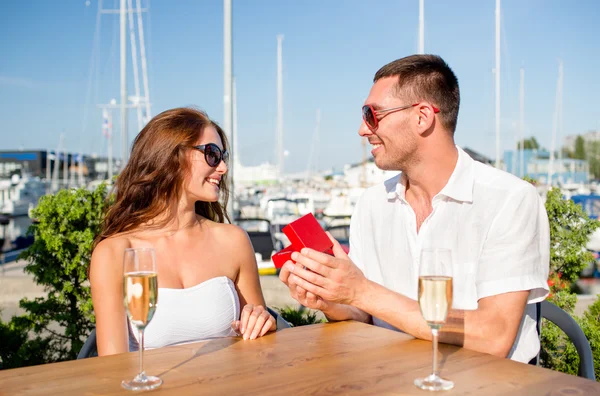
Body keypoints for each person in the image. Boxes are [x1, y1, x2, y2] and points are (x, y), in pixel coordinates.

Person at [280, 54, 549, 363]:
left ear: (422, 116)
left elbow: (493, 335)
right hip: (393, 378)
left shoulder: (510, 200)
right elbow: (365, 315)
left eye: (371, 114)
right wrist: (331, 298)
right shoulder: (372, 204)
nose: (362, 130)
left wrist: (361, 291)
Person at [90, 107, 275, 356]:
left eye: (223, 157)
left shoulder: (233, 241)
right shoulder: (115, 253)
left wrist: (263, 321)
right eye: (212, 154)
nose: (223, 168)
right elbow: (112, 369)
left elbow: (259, 342)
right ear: (170, 156)